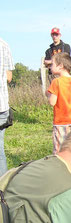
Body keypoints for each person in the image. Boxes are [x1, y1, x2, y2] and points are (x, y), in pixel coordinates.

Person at [46, 52, 71, 154]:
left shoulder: (56, 82)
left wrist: (47, 94)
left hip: (61, 122)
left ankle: (60, 167)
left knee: (59, 150)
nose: (50, 67)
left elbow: (52, 102)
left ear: (60, 66)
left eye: (52, 64)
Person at [0, 38, 14, 176]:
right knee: (0, 151)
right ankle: (2, 187)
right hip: (2, 105)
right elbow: (9, 77)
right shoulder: (4, 45)